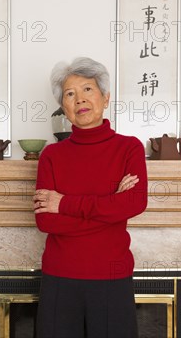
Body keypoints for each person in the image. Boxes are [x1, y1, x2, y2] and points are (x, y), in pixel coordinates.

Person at [33, 57, 148, 338]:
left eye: (87, 90)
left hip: (112, 277)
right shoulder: (51, 155)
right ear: (64, 107)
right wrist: (111, 208)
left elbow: (135, 203)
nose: (79, 100)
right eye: (70, 94)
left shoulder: (129, 148)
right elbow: (47, 223)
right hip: (60, 277)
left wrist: (65, 203)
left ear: (105, 98)